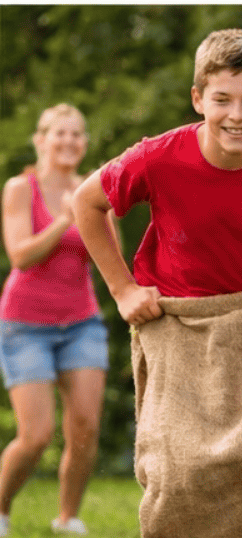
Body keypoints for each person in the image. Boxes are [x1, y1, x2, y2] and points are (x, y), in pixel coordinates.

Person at [68, 27, 242, 317]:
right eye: (221, 100)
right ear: (198, 99)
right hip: (177, 315)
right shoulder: (156, 157)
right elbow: (86, 201)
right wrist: (122, 290)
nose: (237, 115)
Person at [0, 105, 106, 536]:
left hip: (81, 321)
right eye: (59, 133)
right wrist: (64, 220)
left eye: (76, 134)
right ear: (40, 140)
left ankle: (67, 518)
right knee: (36, 436)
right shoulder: (19, 188)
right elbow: (20, 255)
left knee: (85, 427)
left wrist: (101, 212)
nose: (68, 141)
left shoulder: (91, 190)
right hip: (25, 323)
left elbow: (106, 256)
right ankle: (2, 510)